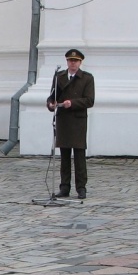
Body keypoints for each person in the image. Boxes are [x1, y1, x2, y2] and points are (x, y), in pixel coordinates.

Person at [45, 48, 95, 199]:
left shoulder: (87, 78)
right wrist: (51, 104)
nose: (72, 63)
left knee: (79, 156)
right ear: (67, 62)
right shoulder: (59, 77)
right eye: (70, 61)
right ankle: (64, 187)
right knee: (65, 156)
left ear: (80, 63)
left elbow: (89, 100)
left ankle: (81, 187)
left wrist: (72, 103)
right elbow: (52, 96)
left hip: (78, 120)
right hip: (64, 120)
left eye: (75, 61)